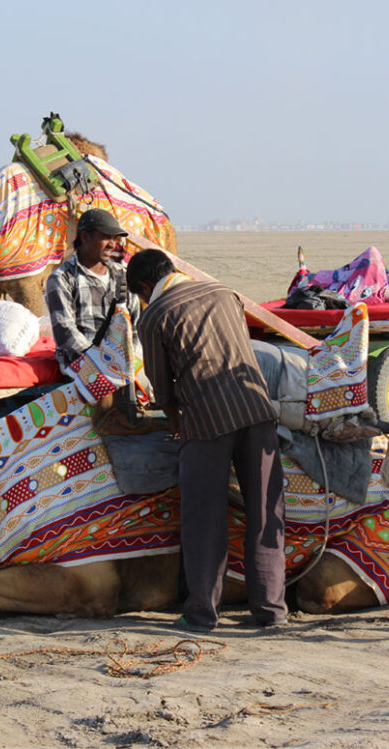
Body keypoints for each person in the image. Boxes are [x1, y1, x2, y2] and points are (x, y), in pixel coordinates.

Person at [126, 248, 287, 632]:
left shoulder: (155, 315)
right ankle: (271, 610)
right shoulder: (223, 292)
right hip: (257, 411)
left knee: (204, 519)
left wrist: (173, 418)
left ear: (145, 286)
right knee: (266, 512)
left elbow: (162, 387)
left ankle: (201, 613)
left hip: (206, 419)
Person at [44, 208, 141, 373]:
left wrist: (134, 359)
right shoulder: (62, 279)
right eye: (105, 237)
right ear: (85, 237)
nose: (112, 244)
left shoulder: (122, 276)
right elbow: (66, 333)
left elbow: (137, 326)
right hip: (82, 366)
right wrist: (102, 362)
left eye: (114, 238)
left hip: (124, 365)